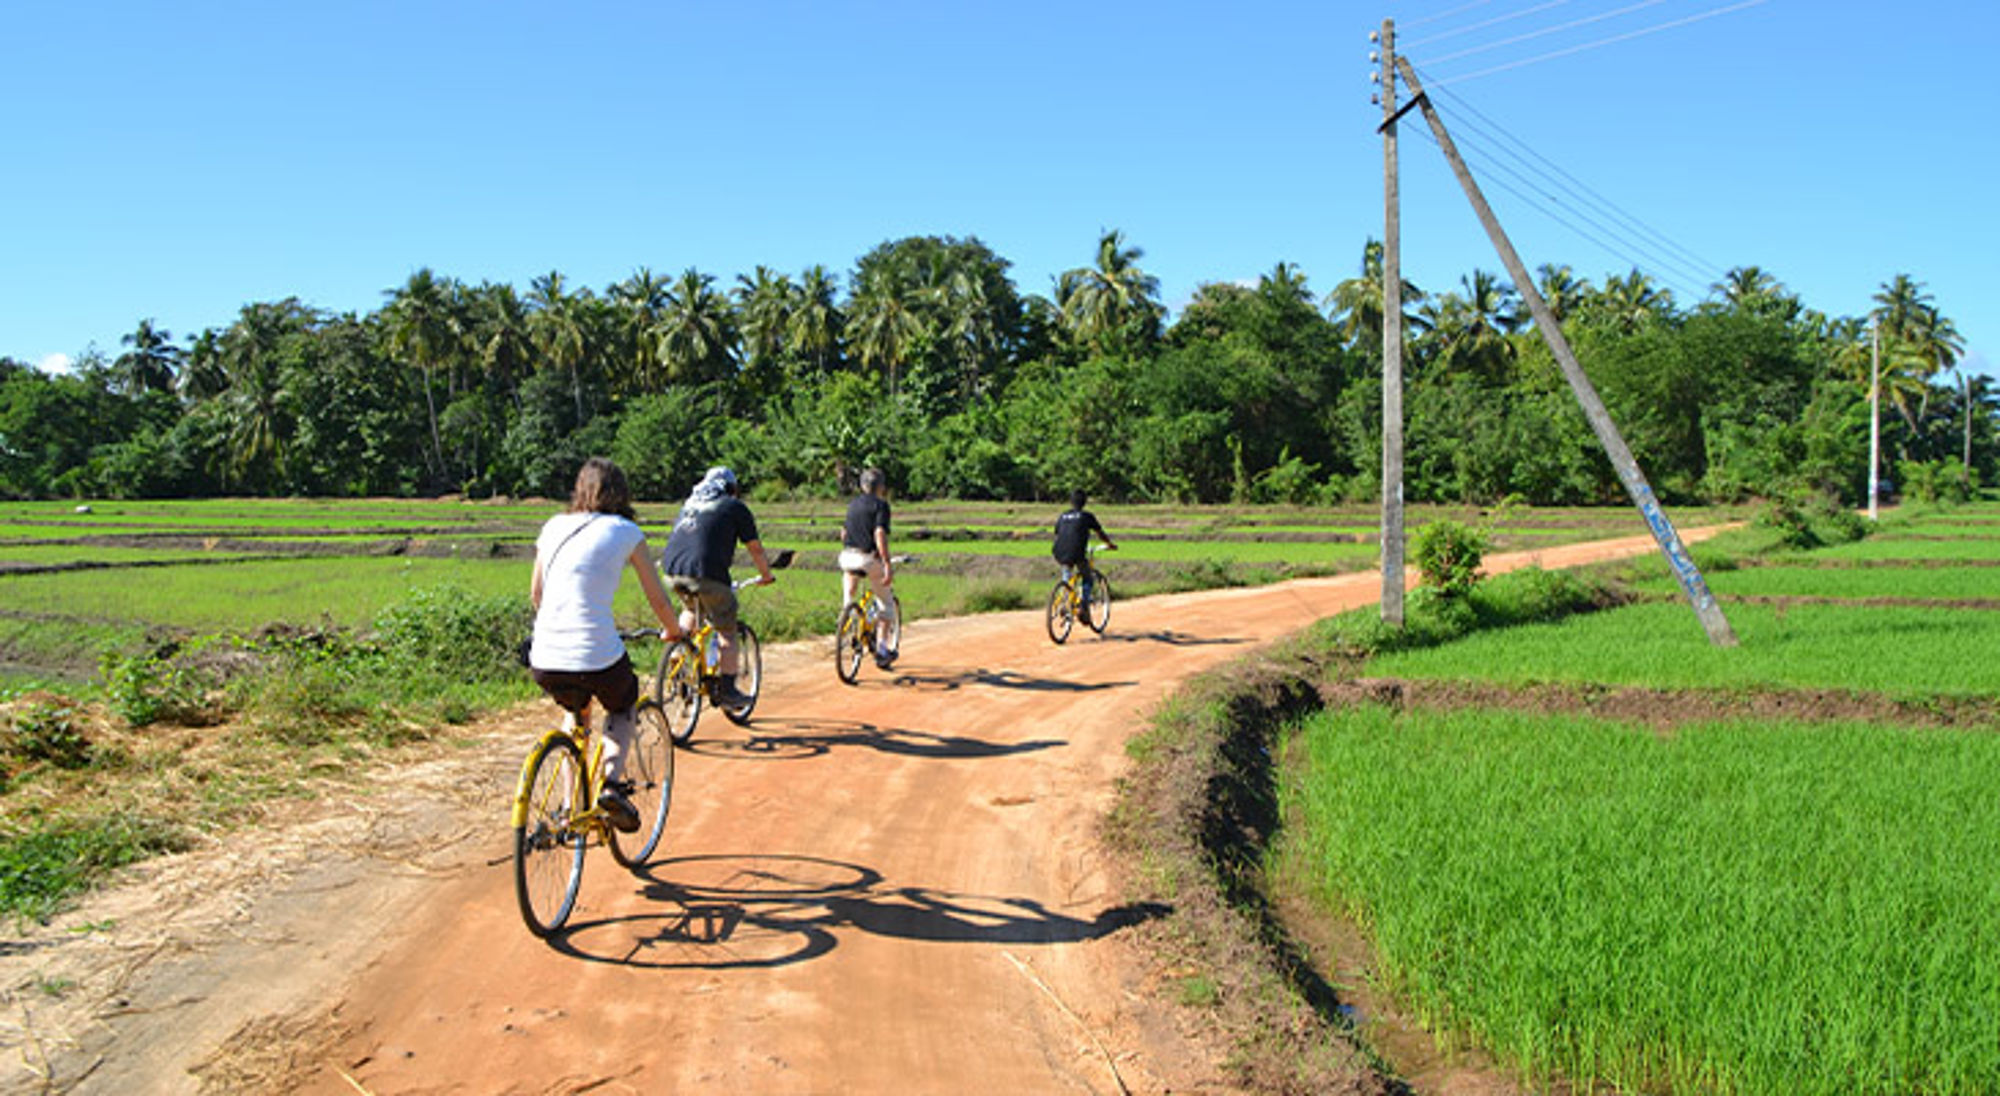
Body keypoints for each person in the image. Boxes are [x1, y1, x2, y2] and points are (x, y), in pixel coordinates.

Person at [528, 458, 682, 833]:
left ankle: (569, 805)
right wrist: (675, 631)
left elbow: (537, 595)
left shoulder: (553, 526)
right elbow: (658, 601)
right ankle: (611, 787)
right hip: (595, 652)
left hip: (545, 654)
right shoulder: (626, 531)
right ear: (621, 492)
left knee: (575, 711)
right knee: (622, 704)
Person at [660, 466, 777, 709]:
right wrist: (766, 574)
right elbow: (754, 548)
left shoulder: (690, 504)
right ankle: (728, 690)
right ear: (732, 489)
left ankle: (677, 655)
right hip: (705, 573)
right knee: (726, 629)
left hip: (672, 571)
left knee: (692, 609)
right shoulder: (734, 507)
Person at [838, 467, 897, 668]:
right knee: (886, 604)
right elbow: (879, 534)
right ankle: (881, 648)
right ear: (881, 487)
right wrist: (887, 563)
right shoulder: (881, 505)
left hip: (846, 556)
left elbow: (844, 533)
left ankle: (848, 612)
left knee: (850, 583)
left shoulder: (852, 504)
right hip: (867, 558)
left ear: (862, 485)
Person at [1052, 489, 1117, 621]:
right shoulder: (1087, 516)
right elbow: (1100, 533)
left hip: (1058, 551)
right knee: (1087, 577)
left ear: (1071, 502)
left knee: (1067, 571)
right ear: (1085, 502)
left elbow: (1058, 533)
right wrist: (1109, 544)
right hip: (1077, 552)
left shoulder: (1063, 516)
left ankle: (1064, 597)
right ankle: (1083, 606)